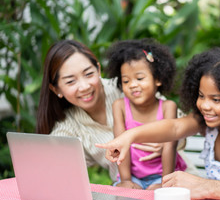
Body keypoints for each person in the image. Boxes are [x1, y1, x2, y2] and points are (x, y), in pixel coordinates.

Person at [96, 48, 220, 187]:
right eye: (201, 96)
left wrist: (192, 183)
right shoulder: (207, 122)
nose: (205, 105)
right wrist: (128, 137)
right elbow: (173, 128)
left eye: (216, 99)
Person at [36, 40, 165, 183]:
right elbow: (53, 170)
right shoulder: (68, 128)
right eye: (71, 81)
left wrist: (168, 141)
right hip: (131, 191)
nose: (84, 86)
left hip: (172, 182)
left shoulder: (127, 87)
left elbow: (179, 123)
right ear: (56, 89)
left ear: (98, 69)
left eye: (88, 74)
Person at [105, 39, 187, 190]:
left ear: (158, 79)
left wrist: (165, 183)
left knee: (158, 195)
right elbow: (121, 144)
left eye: (140, 78)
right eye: (126, 81)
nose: (133, 85)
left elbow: (170, 146)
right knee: (123, 192)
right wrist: (126, 180)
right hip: (132, 176)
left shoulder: (168, 107)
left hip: (163, 176)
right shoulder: (120, 106)